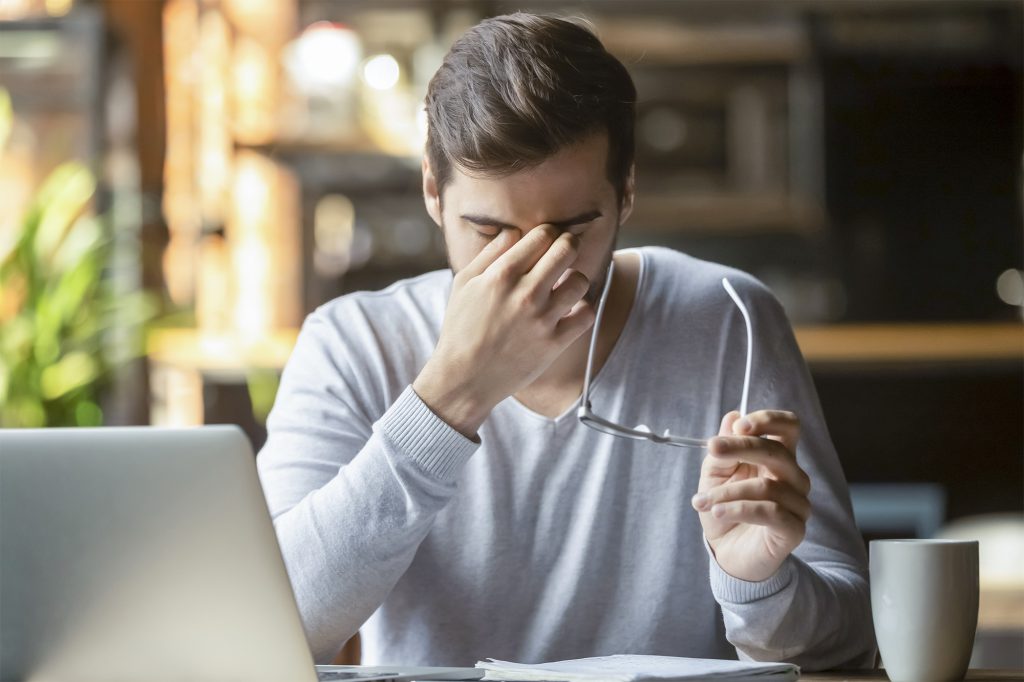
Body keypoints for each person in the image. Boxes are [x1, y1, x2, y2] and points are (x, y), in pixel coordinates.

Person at [257, 12, 875, 671]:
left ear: (626, 193)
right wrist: (451, 397)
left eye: (571, 232)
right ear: (434, 192)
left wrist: (760, 584)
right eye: (490, 233)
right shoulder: (353, 343)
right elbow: (271, 627)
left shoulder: (726, 318)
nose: (533, 270)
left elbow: (849, 645)